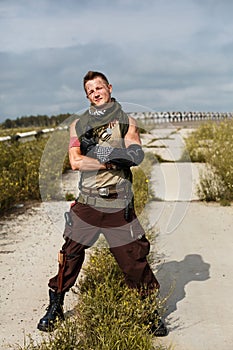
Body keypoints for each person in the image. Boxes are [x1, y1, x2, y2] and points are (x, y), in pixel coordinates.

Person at [37, 71, 167, 336]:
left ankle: (149, 312)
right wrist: (112, 159)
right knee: (70, 255)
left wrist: (98, 151)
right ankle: (56, 305)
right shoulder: (78, 125)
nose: (96, 93)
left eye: (99, 87)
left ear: (109, 87)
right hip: (88, 202)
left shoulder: (126, 122)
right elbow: (76, 162)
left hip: (119, 203)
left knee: (134, 260)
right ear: (87, 96)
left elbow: (135, 154)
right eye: (90, 91)